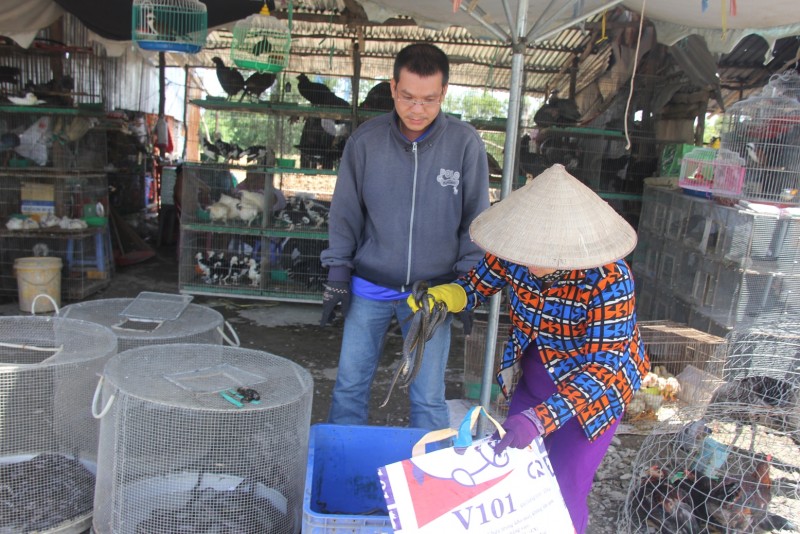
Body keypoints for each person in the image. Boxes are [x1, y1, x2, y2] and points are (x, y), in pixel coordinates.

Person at [409, 164, 650, 533]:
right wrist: (451, 296)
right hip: (536, 373)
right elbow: (478, 284)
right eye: (526, 251)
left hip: (595, 393)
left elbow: (603, 368)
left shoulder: (610, 279)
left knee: (565, 491)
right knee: (517, 481)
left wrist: (540, 419)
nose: (530, 260)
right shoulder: (514, 250)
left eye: (544, 253)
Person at [320, 42, 490, 431]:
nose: (417, 110)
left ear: (444, 93)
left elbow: (475, 219)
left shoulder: (465, 144)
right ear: (393, 88)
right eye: (408, 97)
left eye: (429, 100)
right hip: (370, 286)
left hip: (433, 294)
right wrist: (338, 273)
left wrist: (467, 284)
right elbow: (345, 211)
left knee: (428, 396)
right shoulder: (365, 142)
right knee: (349, 387)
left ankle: (427, 482)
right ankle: (342, 476)